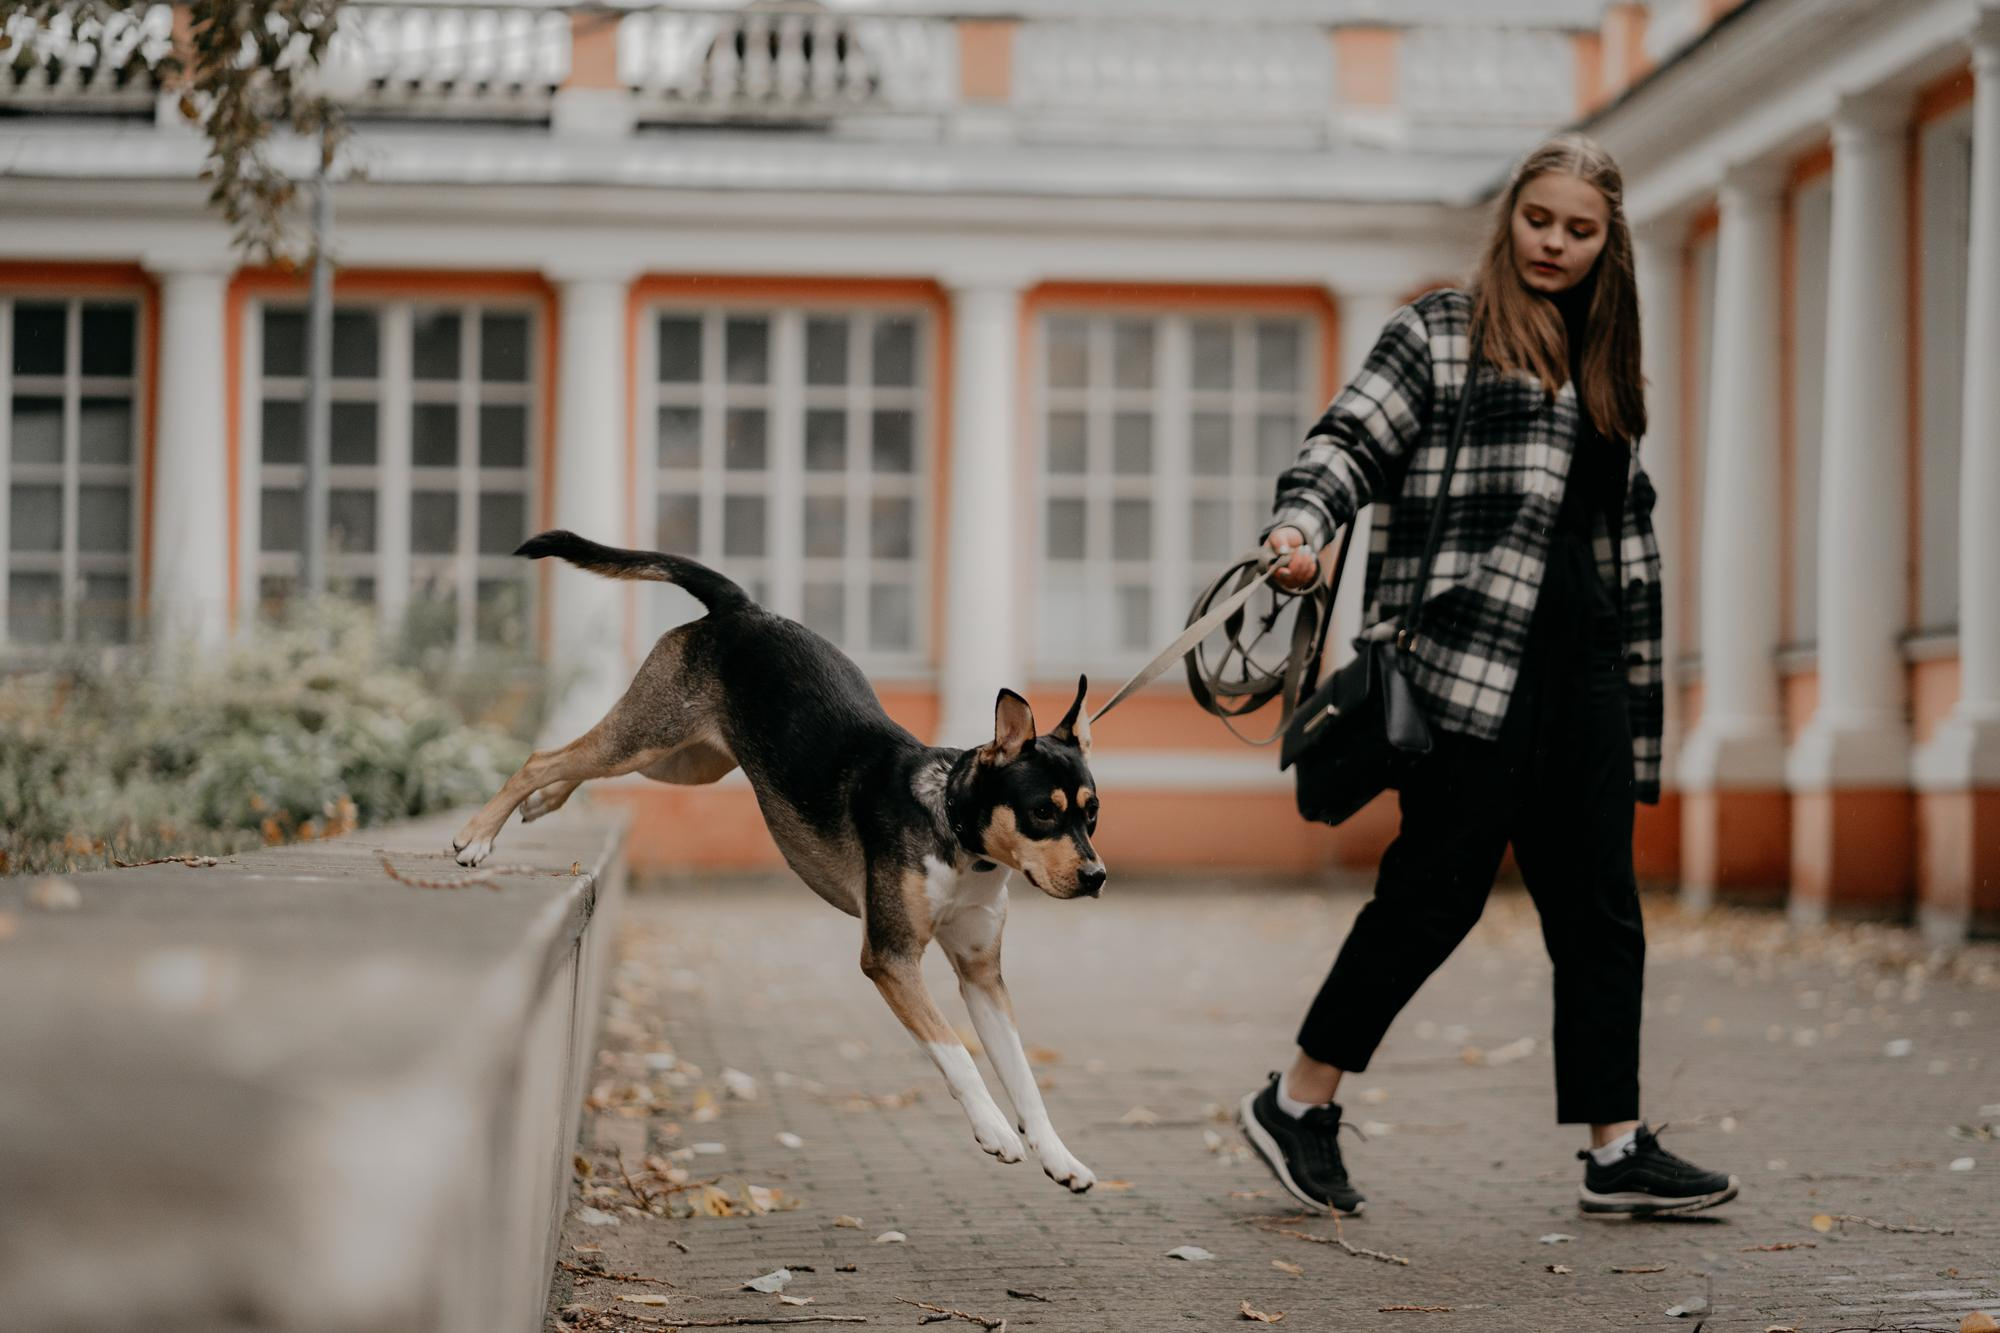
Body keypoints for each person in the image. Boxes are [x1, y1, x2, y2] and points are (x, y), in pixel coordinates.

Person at [1235, 133, 1738, 1219]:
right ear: (1508, 219)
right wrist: (1297, 525)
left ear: (1608, 244)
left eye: (1578, 229)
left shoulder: (1604, 363)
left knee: (1599, 906)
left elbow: (1607, 531)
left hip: (1590, 670)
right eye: (1537, 220)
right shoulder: (1438, 333)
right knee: (1433, 897)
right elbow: (1346, 443)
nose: (1553, 244)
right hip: (1468, 667)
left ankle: (1613, 1145)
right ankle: (1296, 1100)